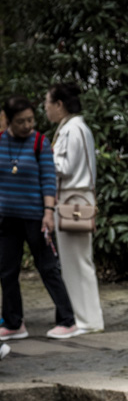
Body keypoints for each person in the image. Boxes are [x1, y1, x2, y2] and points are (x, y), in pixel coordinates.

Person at [0, 94, 80, 341]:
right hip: (6, 218)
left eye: (31, 120)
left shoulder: (39, 142)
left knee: (47, 267)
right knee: (7, 271)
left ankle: (68, 320)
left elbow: (48, 179)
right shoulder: (1, 142)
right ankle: (14, 322)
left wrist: (49, 213)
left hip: (35, 217)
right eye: (21, 121)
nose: (27, 126)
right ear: (9, 120)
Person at [46, 83, 103, 333]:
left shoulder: (72, 129)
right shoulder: (75, 128)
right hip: (76, 197)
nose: (46, 108)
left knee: (77, 262)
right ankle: (86, 319)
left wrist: (44, 160)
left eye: (48, 103)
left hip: (72, 198)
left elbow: (64, 167)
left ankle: (87, 320)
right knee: (78, 262)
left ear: (59, 104)